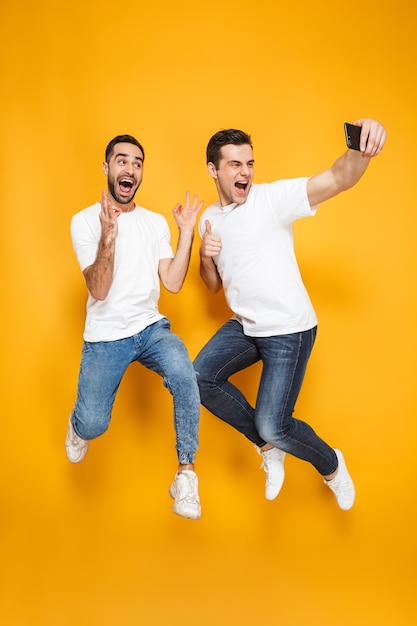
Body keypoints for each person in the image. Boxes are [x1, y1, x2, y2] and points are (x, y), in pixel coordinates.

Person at [194, 119, 386, 510]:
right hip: (246, 326)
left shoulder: (271, 199)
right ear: (214, 170)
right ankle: (268, 446)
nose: (245, 172)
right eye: (234, 164)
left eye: (249, 163)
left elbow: (336, 178)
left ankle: (331, 465)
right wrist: (204, 255)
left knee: (275, 423)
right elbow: (213, 285)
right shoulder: (209, 218)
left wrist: (359, 149)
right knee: (199, 377)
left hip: (288, 331)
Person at [66, 134, 203, 520]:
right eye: (122, 161)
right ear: (107, 168)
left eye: (137, 163)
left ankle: (185, 474)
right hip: (106, 337)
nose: (130, 169)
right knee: (93, 424)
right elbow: (99, 288)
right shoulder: (83, 221)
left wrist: (187, 232)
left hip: (150, 329)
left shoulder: (155, 222)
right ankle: (77, 426)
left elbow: (173, 283)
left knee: (184, 373)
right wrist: (108, 235)